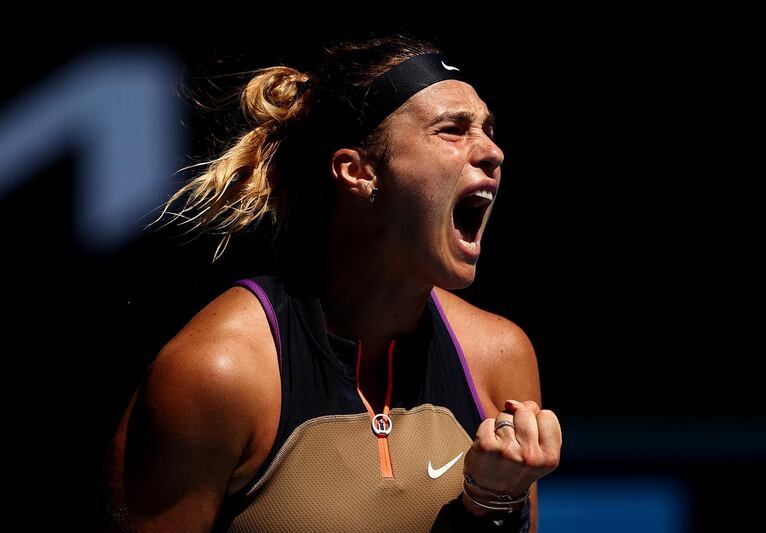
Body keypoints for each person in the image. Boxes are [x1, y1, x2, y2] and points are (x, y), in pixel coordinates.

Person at [91, 34, 562, 532]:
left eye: (489, 130)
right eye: (451, 130)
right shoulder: (220, 371)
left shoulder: (500, 356)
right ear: (357, 172)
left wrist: (492, 501)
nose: (493, 151)